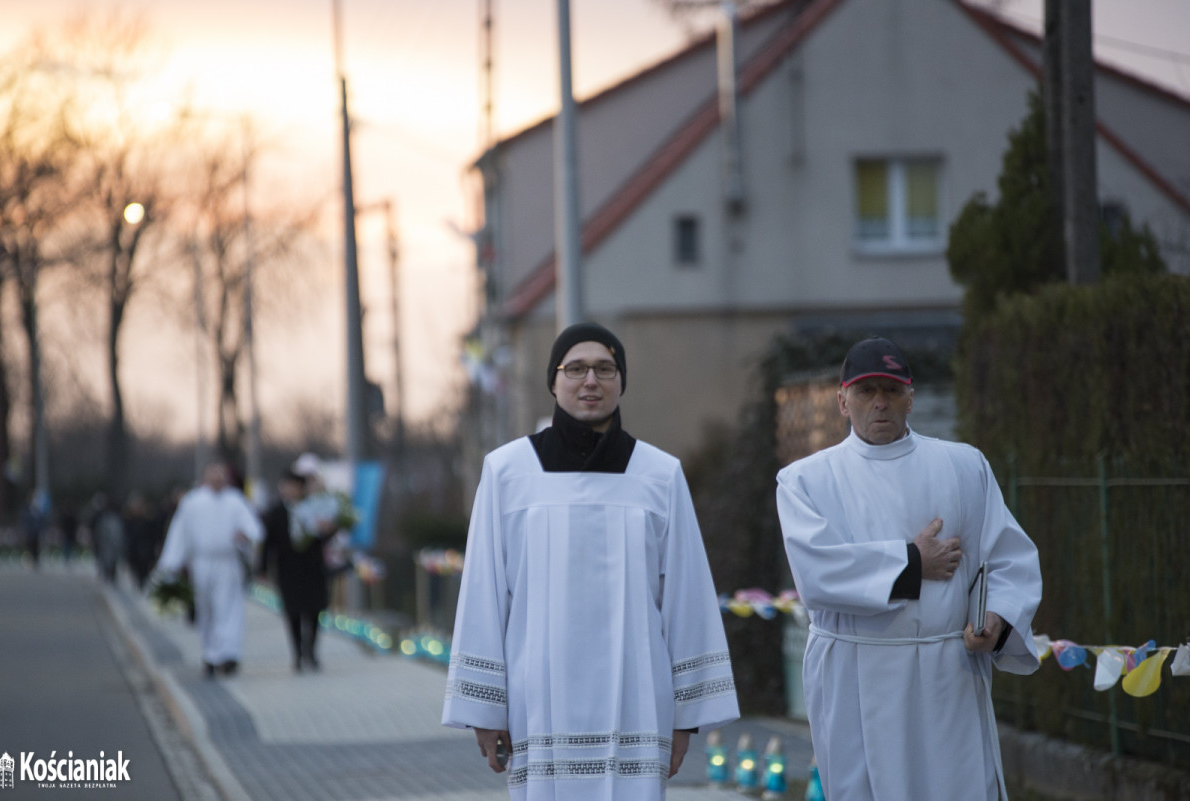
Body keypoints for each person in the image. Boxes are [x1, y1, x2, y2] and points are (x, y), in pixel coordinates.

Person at [442, 322, 739, 801]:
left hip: (636, 697)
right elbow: (484, 591)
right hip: (538, 697)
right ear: (553, 382)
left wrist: (687, 718)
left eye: (605, 369)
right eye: (575, 369)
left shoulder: (659, 475)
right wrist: (486, 710)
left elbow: (687, 595)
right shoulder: (508, 471)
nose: (590, 381)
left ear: (621, 381)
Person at [775, 336, 1043, 801]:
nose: (880, 402)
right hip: (855, 672)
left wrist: (995, 620)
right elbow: (817, 576)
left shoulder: (963, 466)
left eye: (892, 390)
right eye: (866, 391)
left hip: (947, 673)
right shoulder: (806, 480)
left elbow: (1008, 558)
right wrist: (913, 562)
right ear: (842, 400)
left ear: (911, 398)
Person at [154, 461, 264, 678]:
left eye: (220, 475)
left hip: (227, 562)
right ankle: (211, 654)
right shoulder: (193, 502)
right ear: (205, 477)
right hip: (202, 562)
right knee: (206, 609)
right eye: (213, 474)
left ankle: (229, 654)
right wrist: (170, 565)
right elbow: (179, 535)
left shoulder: (235, 500)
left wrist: (245, 536)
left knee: (229, 607)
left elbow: (254, 528)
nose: (217, 479)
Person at [258, 467, 333, 672]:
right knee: (293, 611)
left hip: (312, 567)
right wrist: (262, 568)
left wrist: (328, 529)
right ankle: (298, 653)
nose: (288, 490)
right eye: (285, 486)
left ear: (301, 488)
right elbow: (268, 542)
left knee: (315, 609)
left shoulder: (315, 507)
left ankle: (312, 650)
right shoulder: (276, 511)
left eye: (292, 486)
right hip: (287, 568)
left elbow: (325, 536)